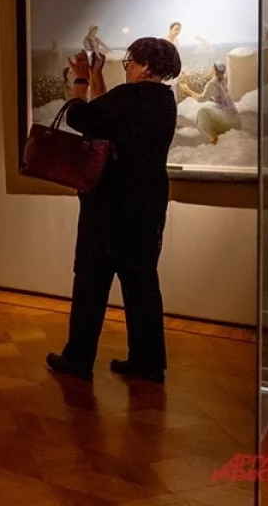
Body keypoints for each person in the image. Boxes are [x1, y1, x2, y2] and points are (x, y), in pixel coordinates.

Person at [46, 36, 182, 384]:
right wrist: (97, 77)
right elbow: (108, 117)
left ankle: (78, 359)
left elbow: (80, 117)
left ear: (145, 67)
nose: (128, 68)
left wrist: (80, 80)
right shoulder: (163, 101)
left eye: (130, 62)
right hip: (147, 204)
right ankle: (147, 361)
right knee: (141, 281)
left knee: (91, 279)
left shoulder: (129, 97)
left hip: (110, 205)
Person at [179, 63, 239, 144]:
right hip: (235, 118)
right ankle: (219, 130)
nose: (210, 69)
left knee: (203, 112)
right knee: (211, 107)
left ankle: (214, 137)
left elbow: (201, 99)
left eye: (212, 68)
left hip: (227, 118)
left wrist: (188, 90)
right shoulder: (223, 79)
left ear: (214, 70)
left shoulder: (212, 83)